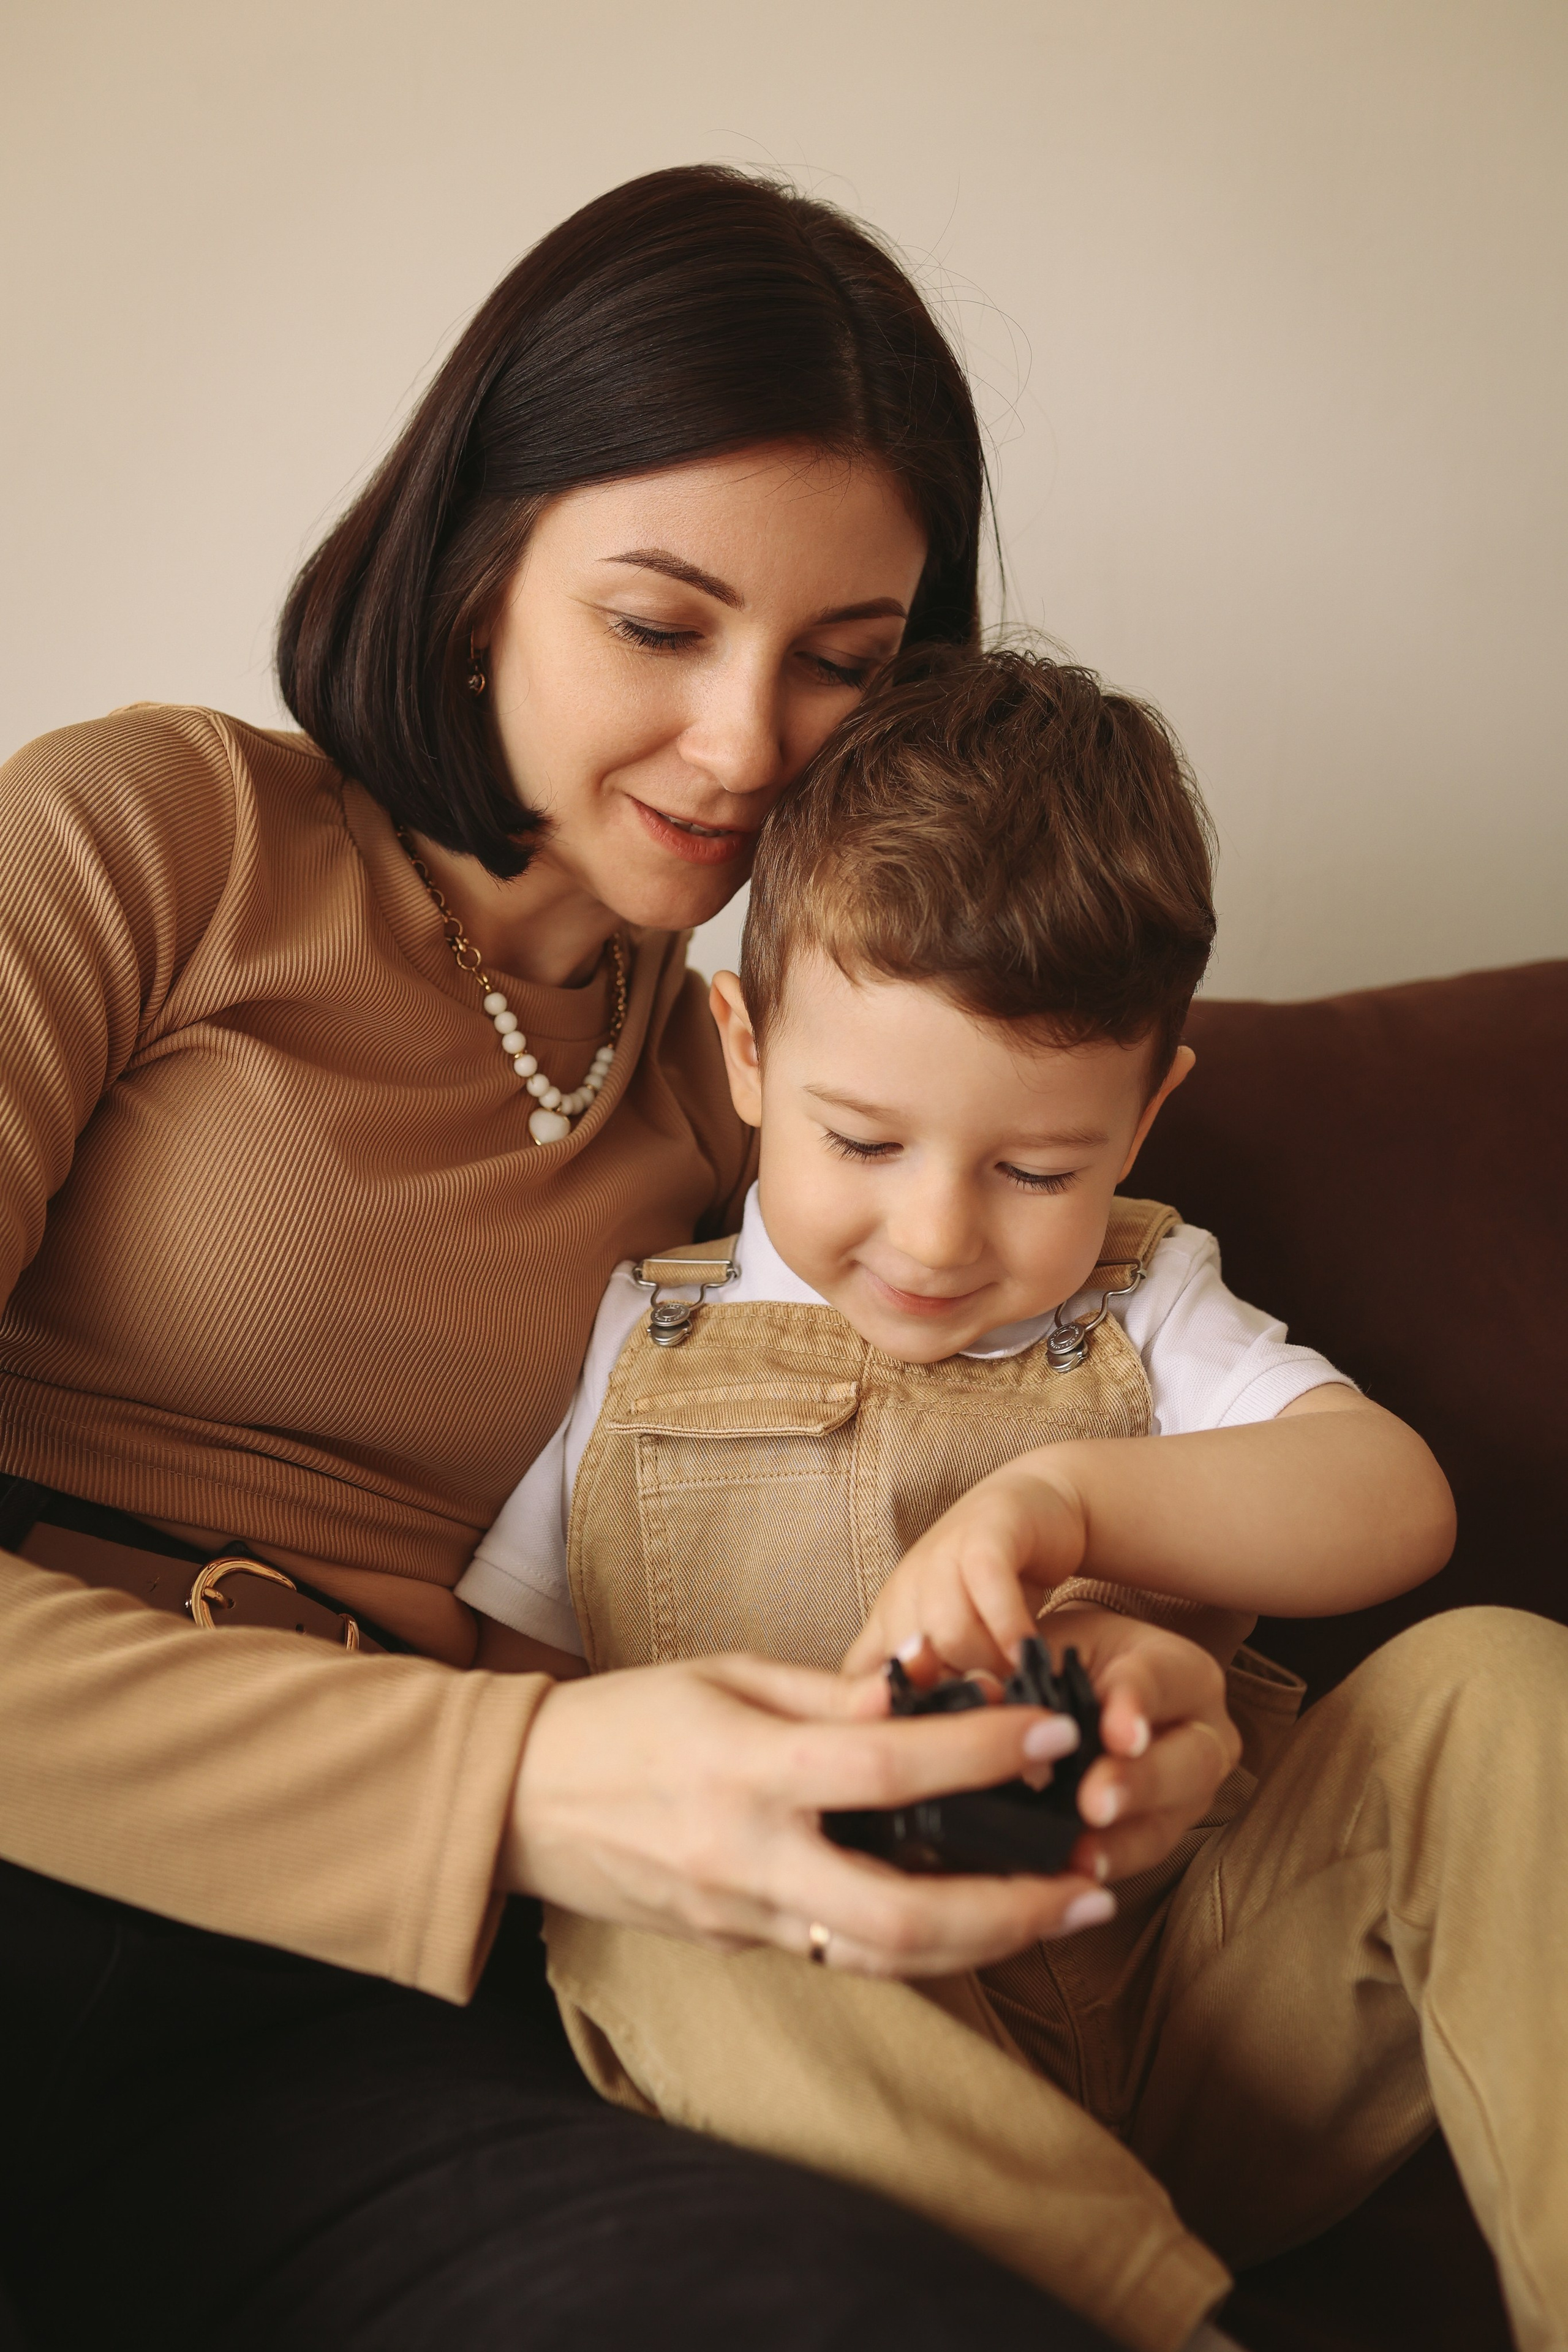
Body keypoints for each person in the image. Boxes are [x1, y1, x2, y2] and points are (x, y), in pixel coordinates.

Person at [0, 167, 1243, 2352]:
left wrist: (1133, 1691)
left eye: (842, 666)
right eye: (661, 626)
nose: (748, 744)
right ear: (478, 573)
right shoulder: (162, 840)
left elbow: (973, 1477)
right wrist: (520, 1783)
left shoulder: (778, 1116)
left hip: (375, 2017)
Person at [464, 649, 1567, 2352]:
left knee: (1500, 1679)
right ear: (744, 1050)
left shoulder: (1144, 1303)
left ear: (1144, 1118)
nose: (935, 1237)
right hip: (872, 2071)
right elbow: (508, 1707)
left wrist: (1063, 1507)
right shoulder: (641, 1338)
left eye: (1036, 1169)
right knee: (630, 1902)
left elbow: (1393, 1502)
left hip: (1205, 2000)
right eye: (864, 1143)